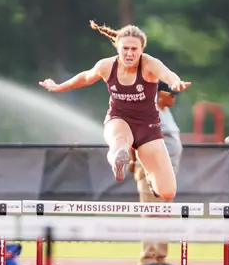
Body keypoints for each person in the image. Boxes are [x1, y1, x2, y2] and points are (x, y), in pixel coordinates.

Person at [39, 20, 191, 201]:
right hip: (119, 119)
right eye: (125, 48)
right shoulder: (106, 66)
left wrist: (175, 82)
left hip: (147, 127)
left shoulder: (149, 64)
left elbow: (167, 74)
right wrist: (58, 87)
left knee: (167, 192)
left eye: (134, 49)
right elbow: (85, 78)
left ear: (142, 50)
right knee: (119, 142)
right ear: (117, 48)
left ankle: (151, 180)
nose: (129, 53)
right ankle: (119, 161)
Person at [130, 81, 183, 265]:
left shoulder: (165, 112)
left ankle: (159, 257)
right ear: (159, 94)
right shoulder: (148, 110)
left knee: (164, 213)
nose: (174, 98)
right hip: (152, 170)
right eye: (170, 94)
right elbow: (135, 136)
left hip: (167, 172)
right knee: (152, 212)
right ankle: (148, 258)